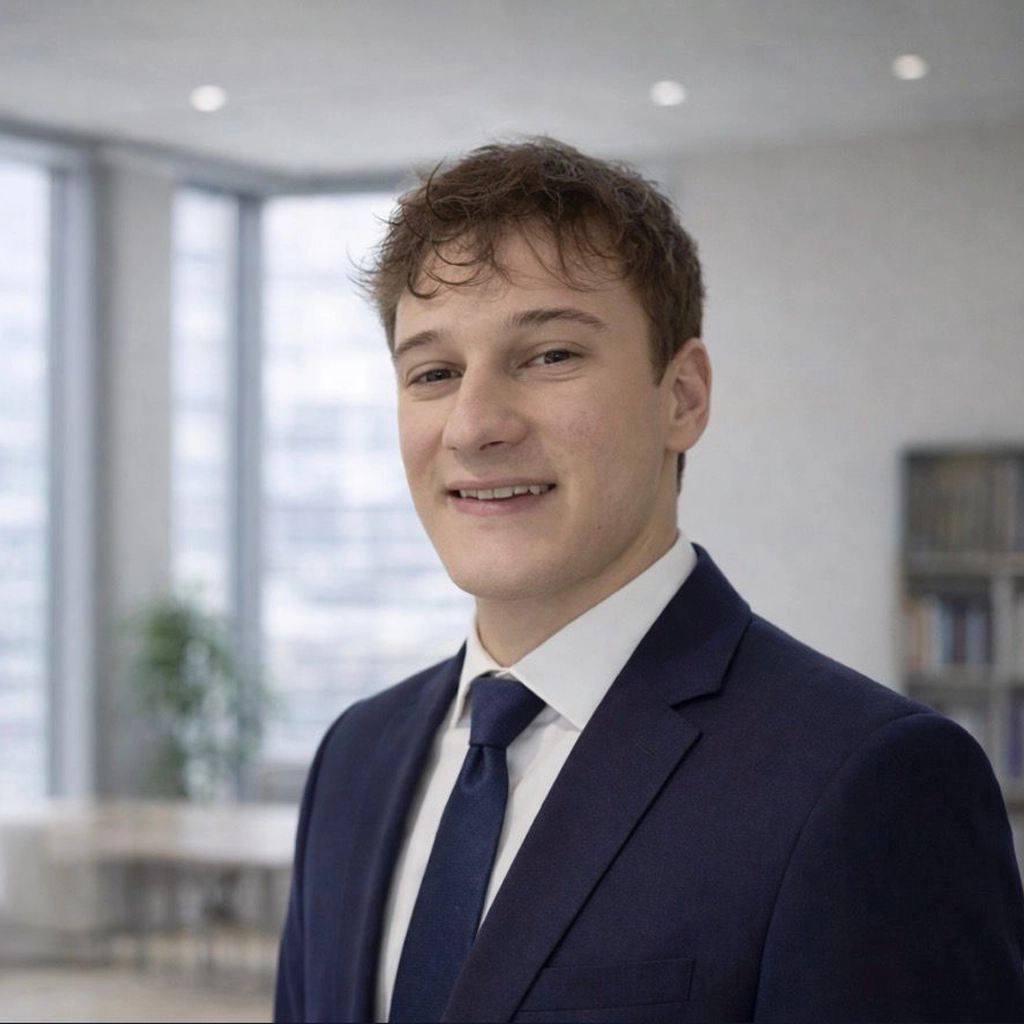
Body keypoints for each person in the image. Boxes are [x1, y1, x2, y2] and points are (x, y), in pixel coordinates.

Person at [274, 138, 1024, 1023]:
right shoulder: (355, 759)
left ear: (683, 396)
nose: (474, 426)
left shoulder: (870, 781)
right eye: (434, 373)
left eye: (550, 356)